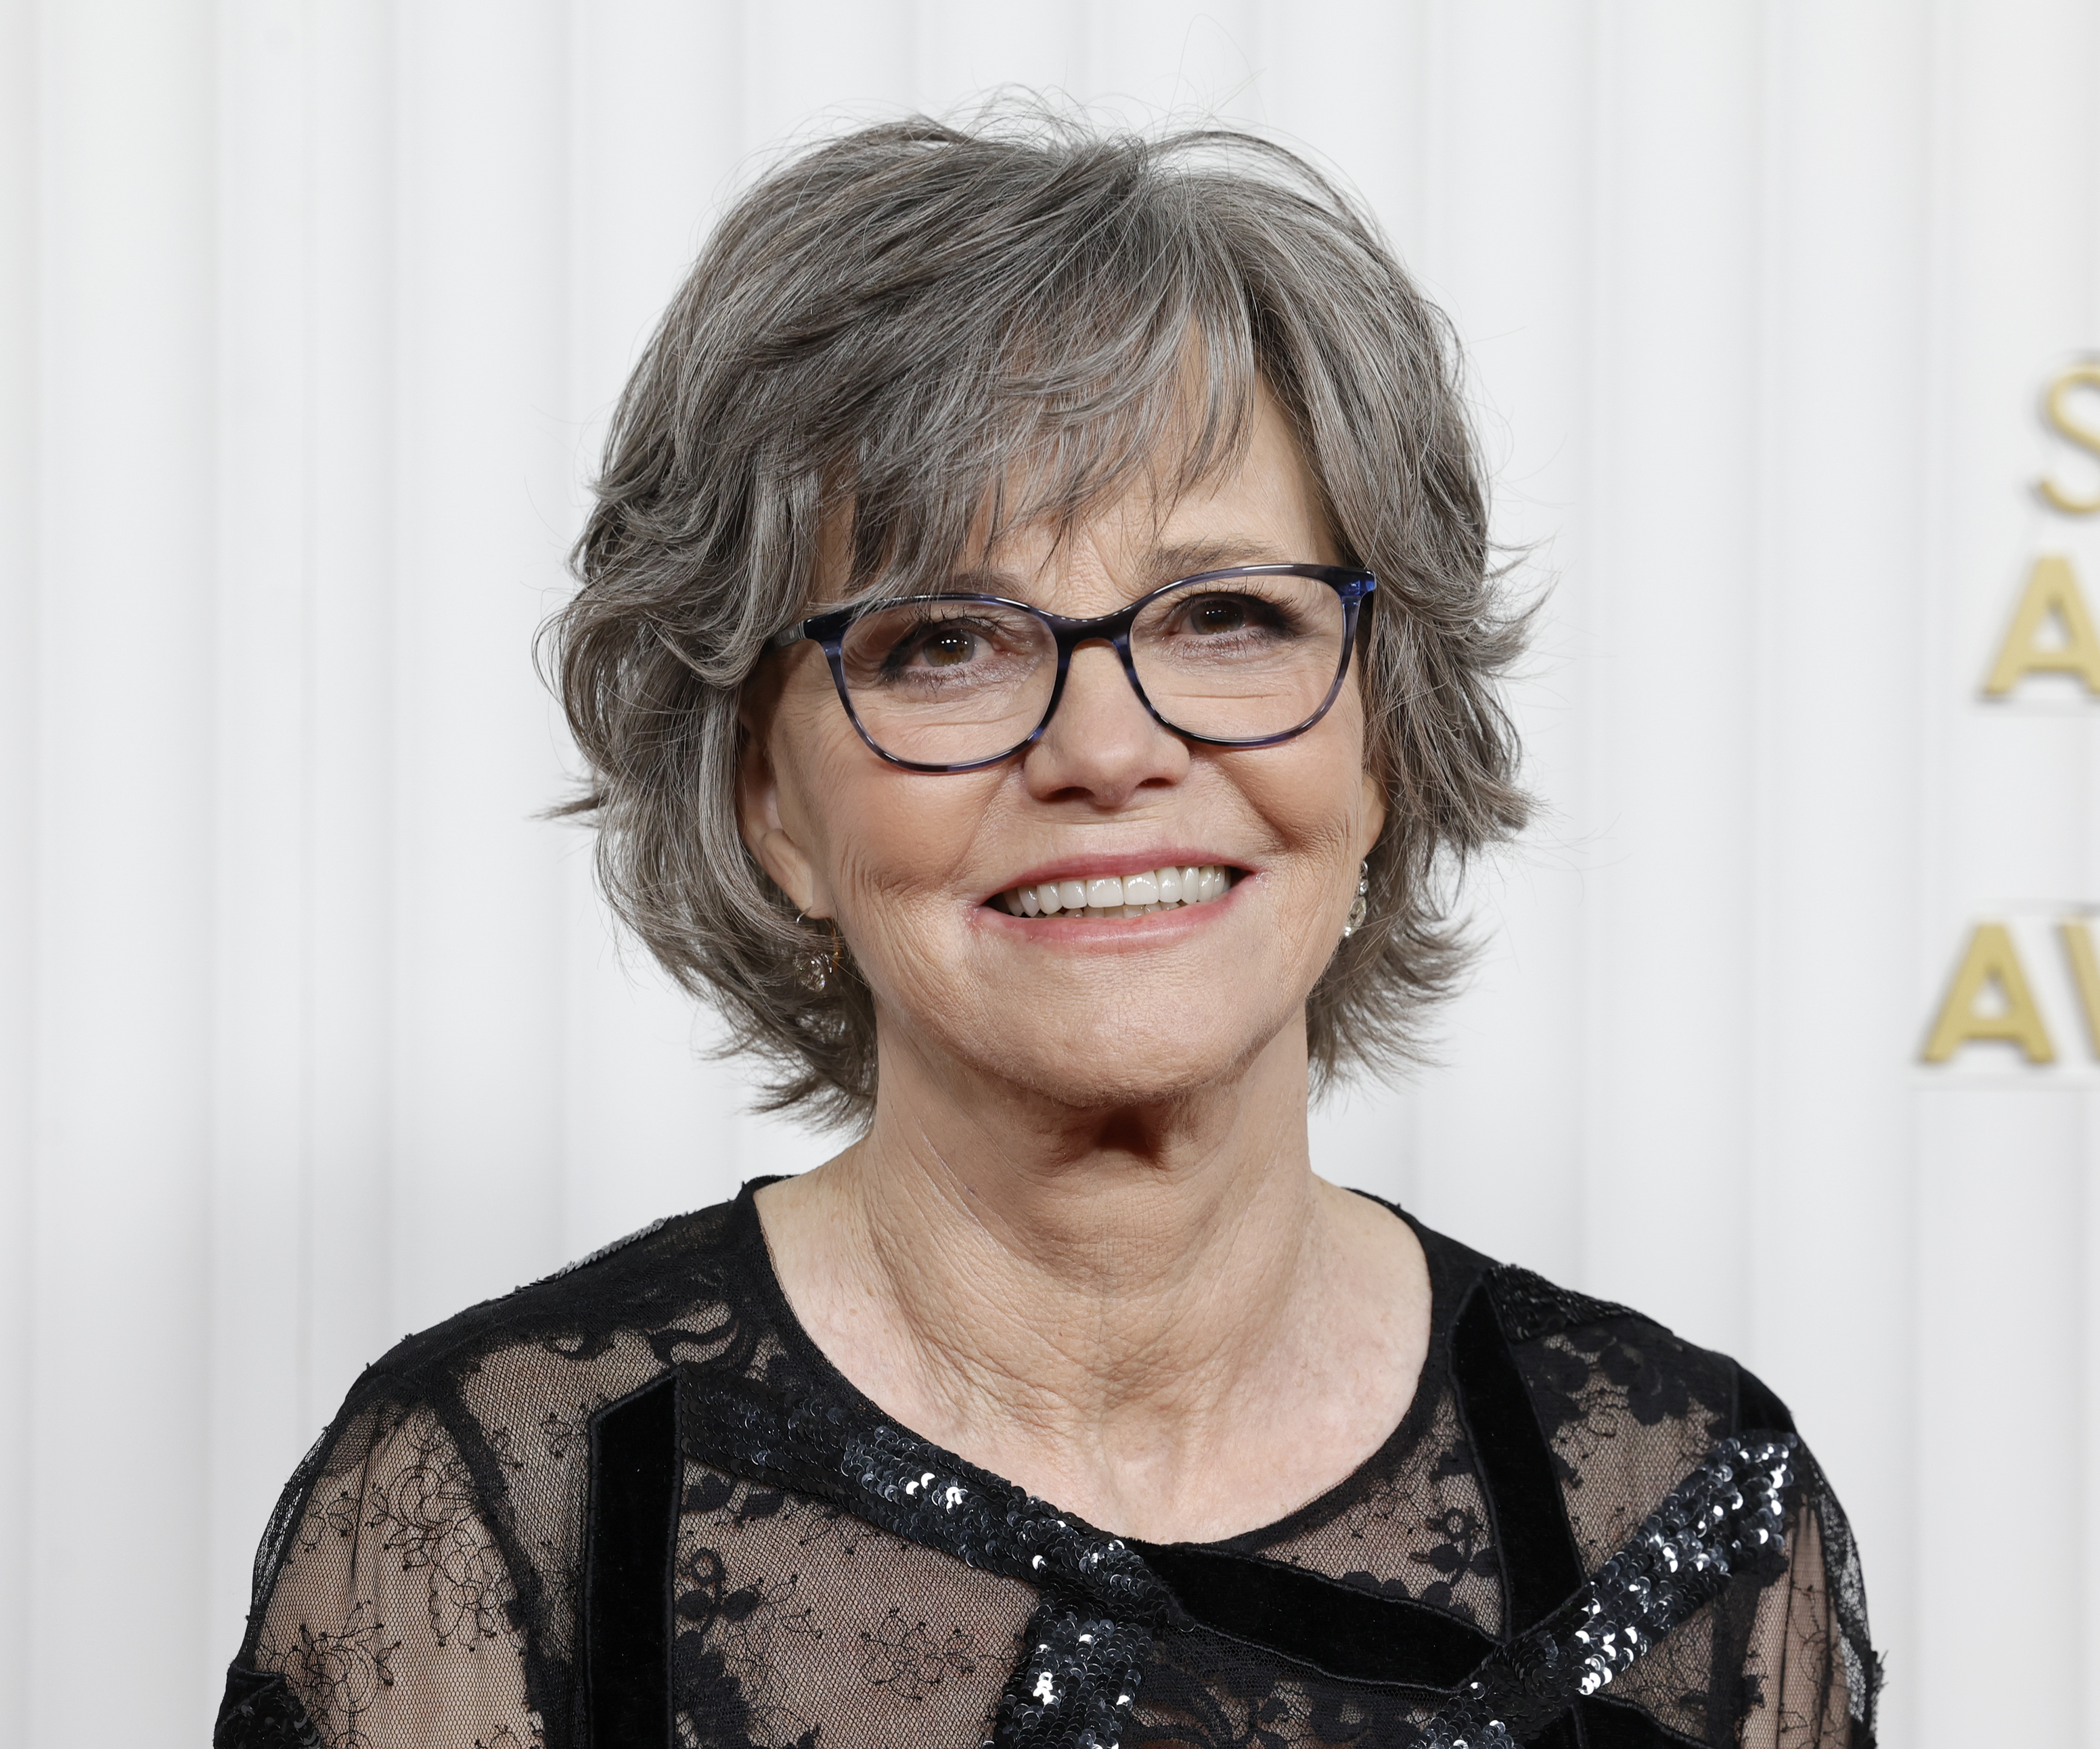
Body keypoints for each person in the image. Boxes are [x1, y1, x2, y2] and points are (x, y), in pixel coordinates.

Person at [213, 112, 1879, 1749]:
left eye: (1228, 616)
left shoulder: (1687, 1516)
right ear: (766, 803)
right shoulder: (504, 1508)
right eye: (946, 642)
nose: (1104, 751)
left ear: (1385, 735)